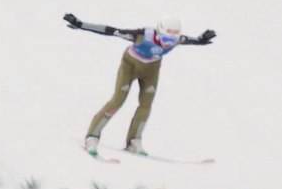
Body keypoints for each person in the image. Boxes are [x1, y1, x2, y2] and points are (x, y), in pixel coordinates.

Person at [63, 13, 216, 157]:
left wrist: (201, 39)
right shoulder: (142, 35)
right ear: (158, 32)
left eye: (172, 40)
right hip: (130, 65)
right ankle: (92, 137)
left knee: (146, 105)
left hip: (151, 70)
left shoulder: (176, 39)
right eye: (165, 38)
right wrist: (81, 24)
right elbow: (110, 30)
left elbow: (190, 40)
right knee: (117, 101)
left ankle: (134, 141)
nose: (168, 43)